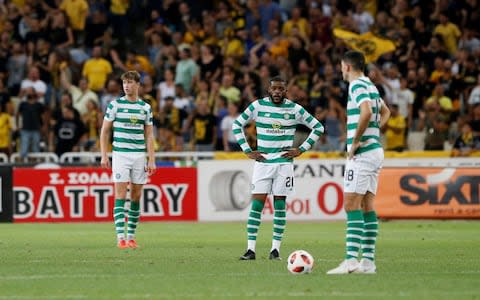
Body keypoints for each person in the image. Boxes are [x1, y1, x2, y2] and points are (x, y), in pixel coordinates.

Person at [233, 76, 324, 260]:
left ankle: (275, 250)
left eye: (280, 89)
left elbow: (318, 127)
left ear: (285, 90)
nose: (277, 92)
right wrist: (247, 150)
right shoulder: (257, 106)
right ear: (269, 90)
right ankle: (250, 249)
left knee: (280, 205)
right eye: (274, 89)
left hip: (284, 164)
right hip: (263, 162)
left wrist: (301, 149)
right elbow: (237, 124)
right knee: (257, 205)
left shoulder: (294, 109)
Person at [327, 51, 390, 275]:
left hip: (363, 155)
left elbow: (367, 111)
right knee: (367, 207)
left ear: (346, 66)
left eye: (341, 66)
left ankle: (351, 260)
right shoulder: (371, 85)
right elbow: (386, 112)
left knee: (351, 205)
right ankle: (368, 263)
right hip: (374, 151)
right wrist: (373, 134)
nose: (341, 70)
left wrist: (355, 141)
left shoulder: (356, 86)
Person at [100, 71, 156, 249]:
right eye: (124, 82)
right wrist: (104, 154)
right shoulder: (115, 105)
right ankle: (120, 238)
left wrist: (151, 159)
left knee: (136, 196)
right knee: (120, 195)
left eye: (130, 82)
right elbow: (105, 131)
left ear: (138, 85)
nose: (127, 86)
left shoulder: (145, 108)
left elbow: (149, 135)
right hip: (120, 154)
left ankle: (131, 237)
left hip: (139, 156)